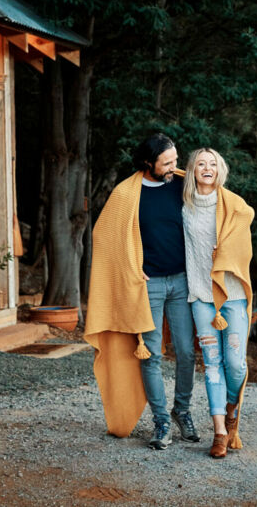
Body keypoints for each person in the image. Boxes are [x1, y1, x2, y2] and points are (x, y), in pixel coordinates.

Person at [83, 133, 200, 450]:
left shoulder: (181, 184)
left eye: (176, 160)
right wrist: (130, 267)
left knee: (187, 352)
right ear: (148, 163)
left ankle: (182, 410)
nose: (175, 166)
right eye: (167, 162)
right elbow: (104, 235)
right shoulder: (126, 194)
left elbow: (214, 208)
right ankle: (161, 421)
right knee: (151, 355)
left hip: (182, 280)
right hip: (147, 286)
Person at [181, 147, 255, 458]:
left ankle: (231, 409)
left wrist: (224, 251)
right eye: (201, 164)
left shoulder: (234, 205)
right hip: (201, 296)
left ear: (220, 170)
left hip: (233, 296)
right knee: (212, 364)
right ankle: (220, 432)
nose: (207, 168)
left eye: (213, 164)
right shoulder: (184, 208)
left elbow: (246, 228)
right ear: (192, 170)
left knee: (235, 363)